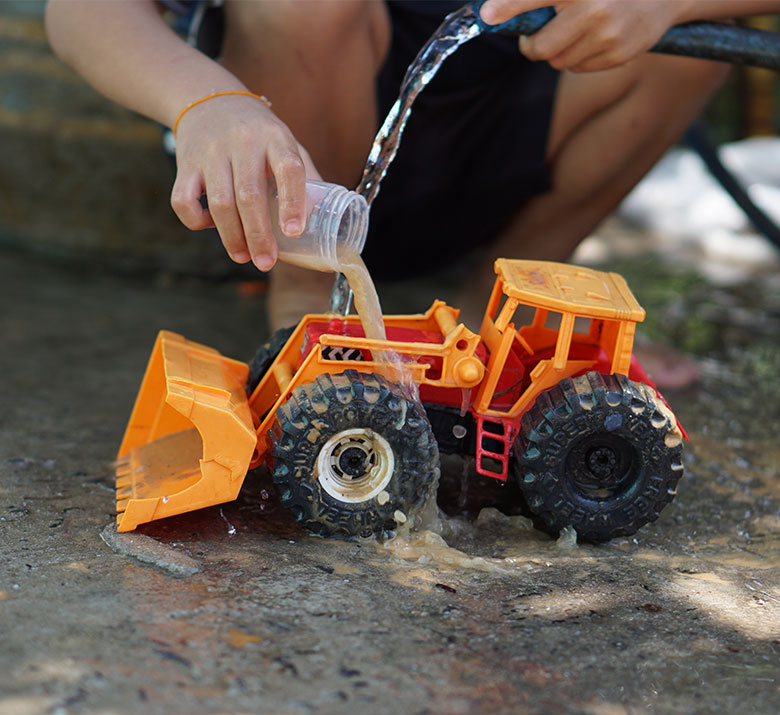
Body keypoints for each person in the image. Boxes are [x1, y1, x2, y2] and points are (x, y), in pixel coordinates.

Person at [45, 0, 780, 386]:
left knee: (694, 30)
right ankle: (306, 307)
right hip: (299, 166)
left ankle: (511, 298)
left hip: (525, 142)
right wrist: (204, 102)